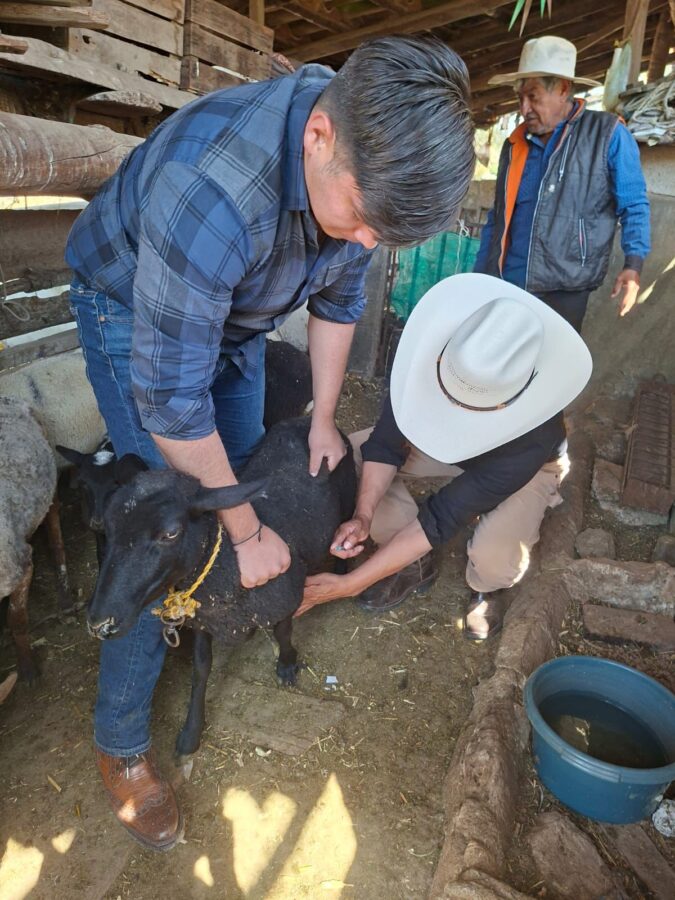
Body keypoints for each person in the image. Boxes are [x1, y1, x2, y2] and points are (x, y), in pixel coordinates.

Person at [64, 36, 475, 851]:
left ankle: (215, 596)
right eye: (359, 219)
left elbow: (337, 303)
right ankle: (124, 746)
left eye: (378, 233)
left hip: (237, 316)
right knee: (166, 513)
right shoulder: (213, 190)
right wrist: (245, 534)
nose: (363, 242)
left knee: (245, 461)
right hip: (131, 311)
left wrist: (324, 418)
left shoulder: (359, 158)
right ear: (316, 137)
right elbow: (173, 403)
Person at [297, 274, 592, 645]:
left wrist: (350, 584)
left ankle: (485, 589)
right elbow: (386, 443)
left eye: (465, 401)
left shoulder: (533, 437)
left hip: (525, 469)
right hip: (452, 443)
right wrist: (363, 514)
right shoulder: (428, 351)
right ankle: (411, 560)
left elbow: (442, 516)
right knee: (351, 455)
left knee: (495, 562)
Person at [473, 35, 650, 333]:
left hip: (565, 288)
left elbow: (634, 205)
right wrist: (480, 276)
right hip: (508, 283)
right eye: (520, 98)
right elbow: (498, 217)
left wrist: (633, 265)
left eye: (533, 96)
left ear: (563, 89)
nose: (523, 107)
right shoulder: (515, 145)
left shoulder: (607, 135)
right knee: (500, 372)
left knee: (548, 374)